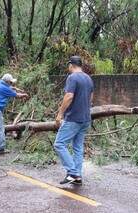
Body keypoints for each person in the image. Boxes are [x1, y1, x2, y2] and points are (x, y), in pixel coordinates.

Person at [54, 56, 94, 185]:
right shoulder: (88, 78)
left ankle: (73, 172)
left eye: (68, 65)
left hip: (73, 118)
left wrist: (60, 114)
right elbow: (91, 97)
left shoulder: (72, 78)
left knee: (59, 144)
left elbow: (69, 96)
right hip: (85, 118)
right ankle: (78, 176)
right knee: (77, 148)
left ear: (71, 65)